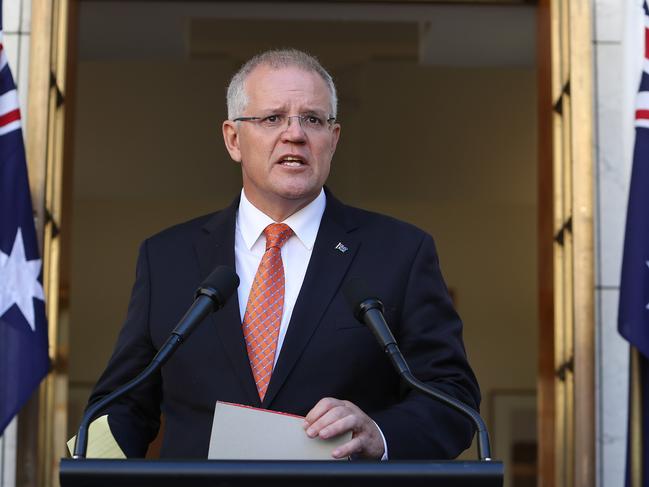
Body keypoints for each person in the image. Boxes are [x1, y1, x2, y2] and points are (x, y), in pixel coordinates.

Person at [87, 49, 480, 460]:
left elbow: (452, 399)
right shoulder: (166, 258)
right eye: (272, 118)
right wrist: (87, 466)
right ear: (233, 139)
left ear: (334, 139)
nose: (294, 134)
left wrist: (379, 435)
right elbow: (123, 405)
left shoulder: (401, 252)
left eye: (313, 119)